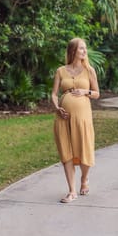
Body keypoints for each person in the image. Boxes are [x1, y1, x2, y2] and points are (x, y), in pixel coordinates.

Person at [51, 37, 100, 203]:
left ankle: (84, 179)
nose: (85, 51)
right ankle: (72, 191)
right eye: (81, 48)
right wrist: (57, 108)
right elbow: (53, 94)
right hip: (63, 118)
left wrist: (84, 91)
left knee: (84, 149)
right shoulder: (61, 71)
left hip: (83, 117)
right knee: (67, 152)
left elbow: (97, 93)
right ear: (73, 51)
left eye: (85, 48)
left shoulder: (89, 70)